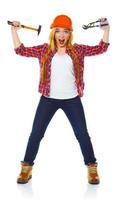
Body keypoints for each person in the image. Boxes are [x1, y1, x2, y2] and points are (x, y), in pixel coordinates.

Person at [10, 14, 110, 184]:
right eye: (58, 31)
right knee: (36, 134)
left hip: (72, 99)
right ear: (53, 33)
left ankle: (92, 168)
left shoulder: (77, 50)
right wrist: (14, 30)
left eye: (65, 32)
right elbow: (21, 50)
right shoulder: (44, 50)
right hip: (48, 99)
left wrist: (106, 30)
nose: (62, 35)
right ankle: (26, 168)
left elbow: (101, 48)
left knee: (82, 134)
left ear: (70, 34)